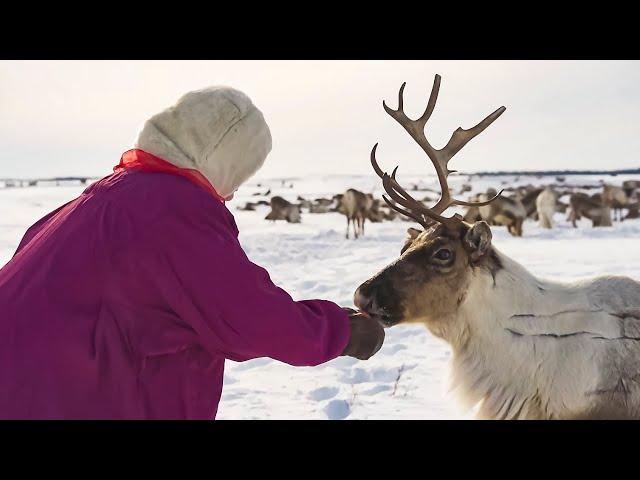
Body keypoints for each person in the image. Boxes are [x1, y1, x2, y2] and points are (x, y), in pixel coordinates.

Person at [0, 86, 385, 419]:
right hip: (67, 398)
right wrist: (341, 332)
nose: (232, 193)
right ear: (219, 158)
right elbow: (244, 316)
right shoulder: (171, 211)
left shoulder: (106, 196)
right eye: (237, 172)